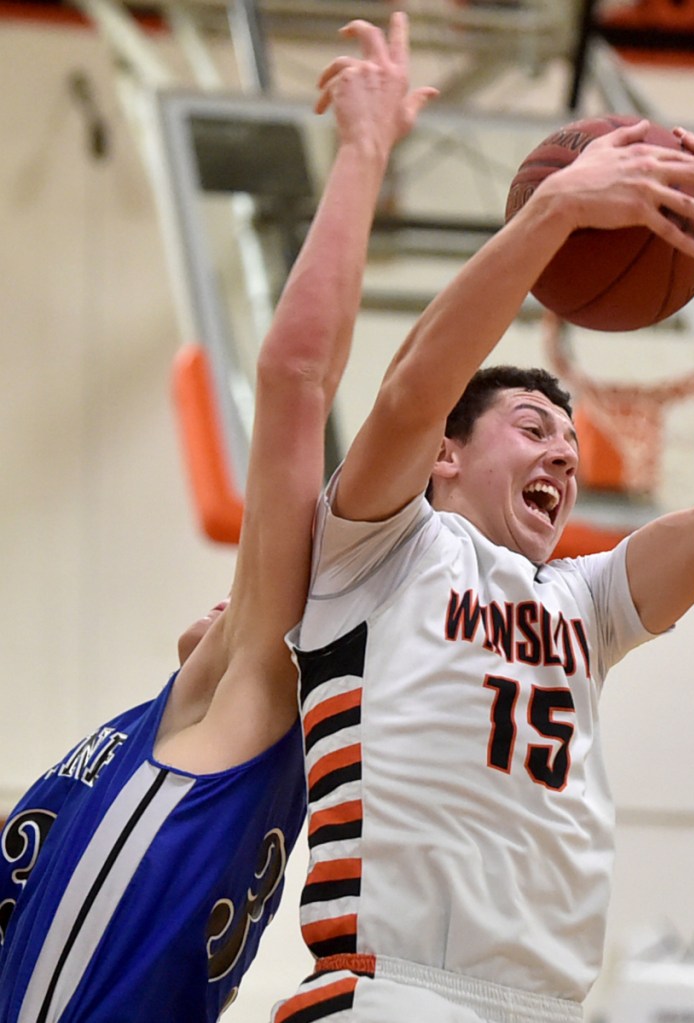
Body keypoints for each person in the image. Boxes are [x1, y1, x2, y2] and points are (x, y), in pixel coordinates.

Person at [272, 18, 694, 1023]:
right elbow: (416, 388)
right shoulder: (379, 546)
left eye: (569, 443)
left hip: (542, 1005)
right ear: (447, 456)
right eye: (531, 425)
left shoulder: (579, 604)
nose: (561, 452)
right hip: (393, 991)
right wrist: (554, 209)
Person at [0, 15, 436, 1023]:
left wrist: (363, 152)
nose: (242, 592)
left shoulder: (256, 691)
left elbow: (293, 381)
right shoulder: (197, 726)